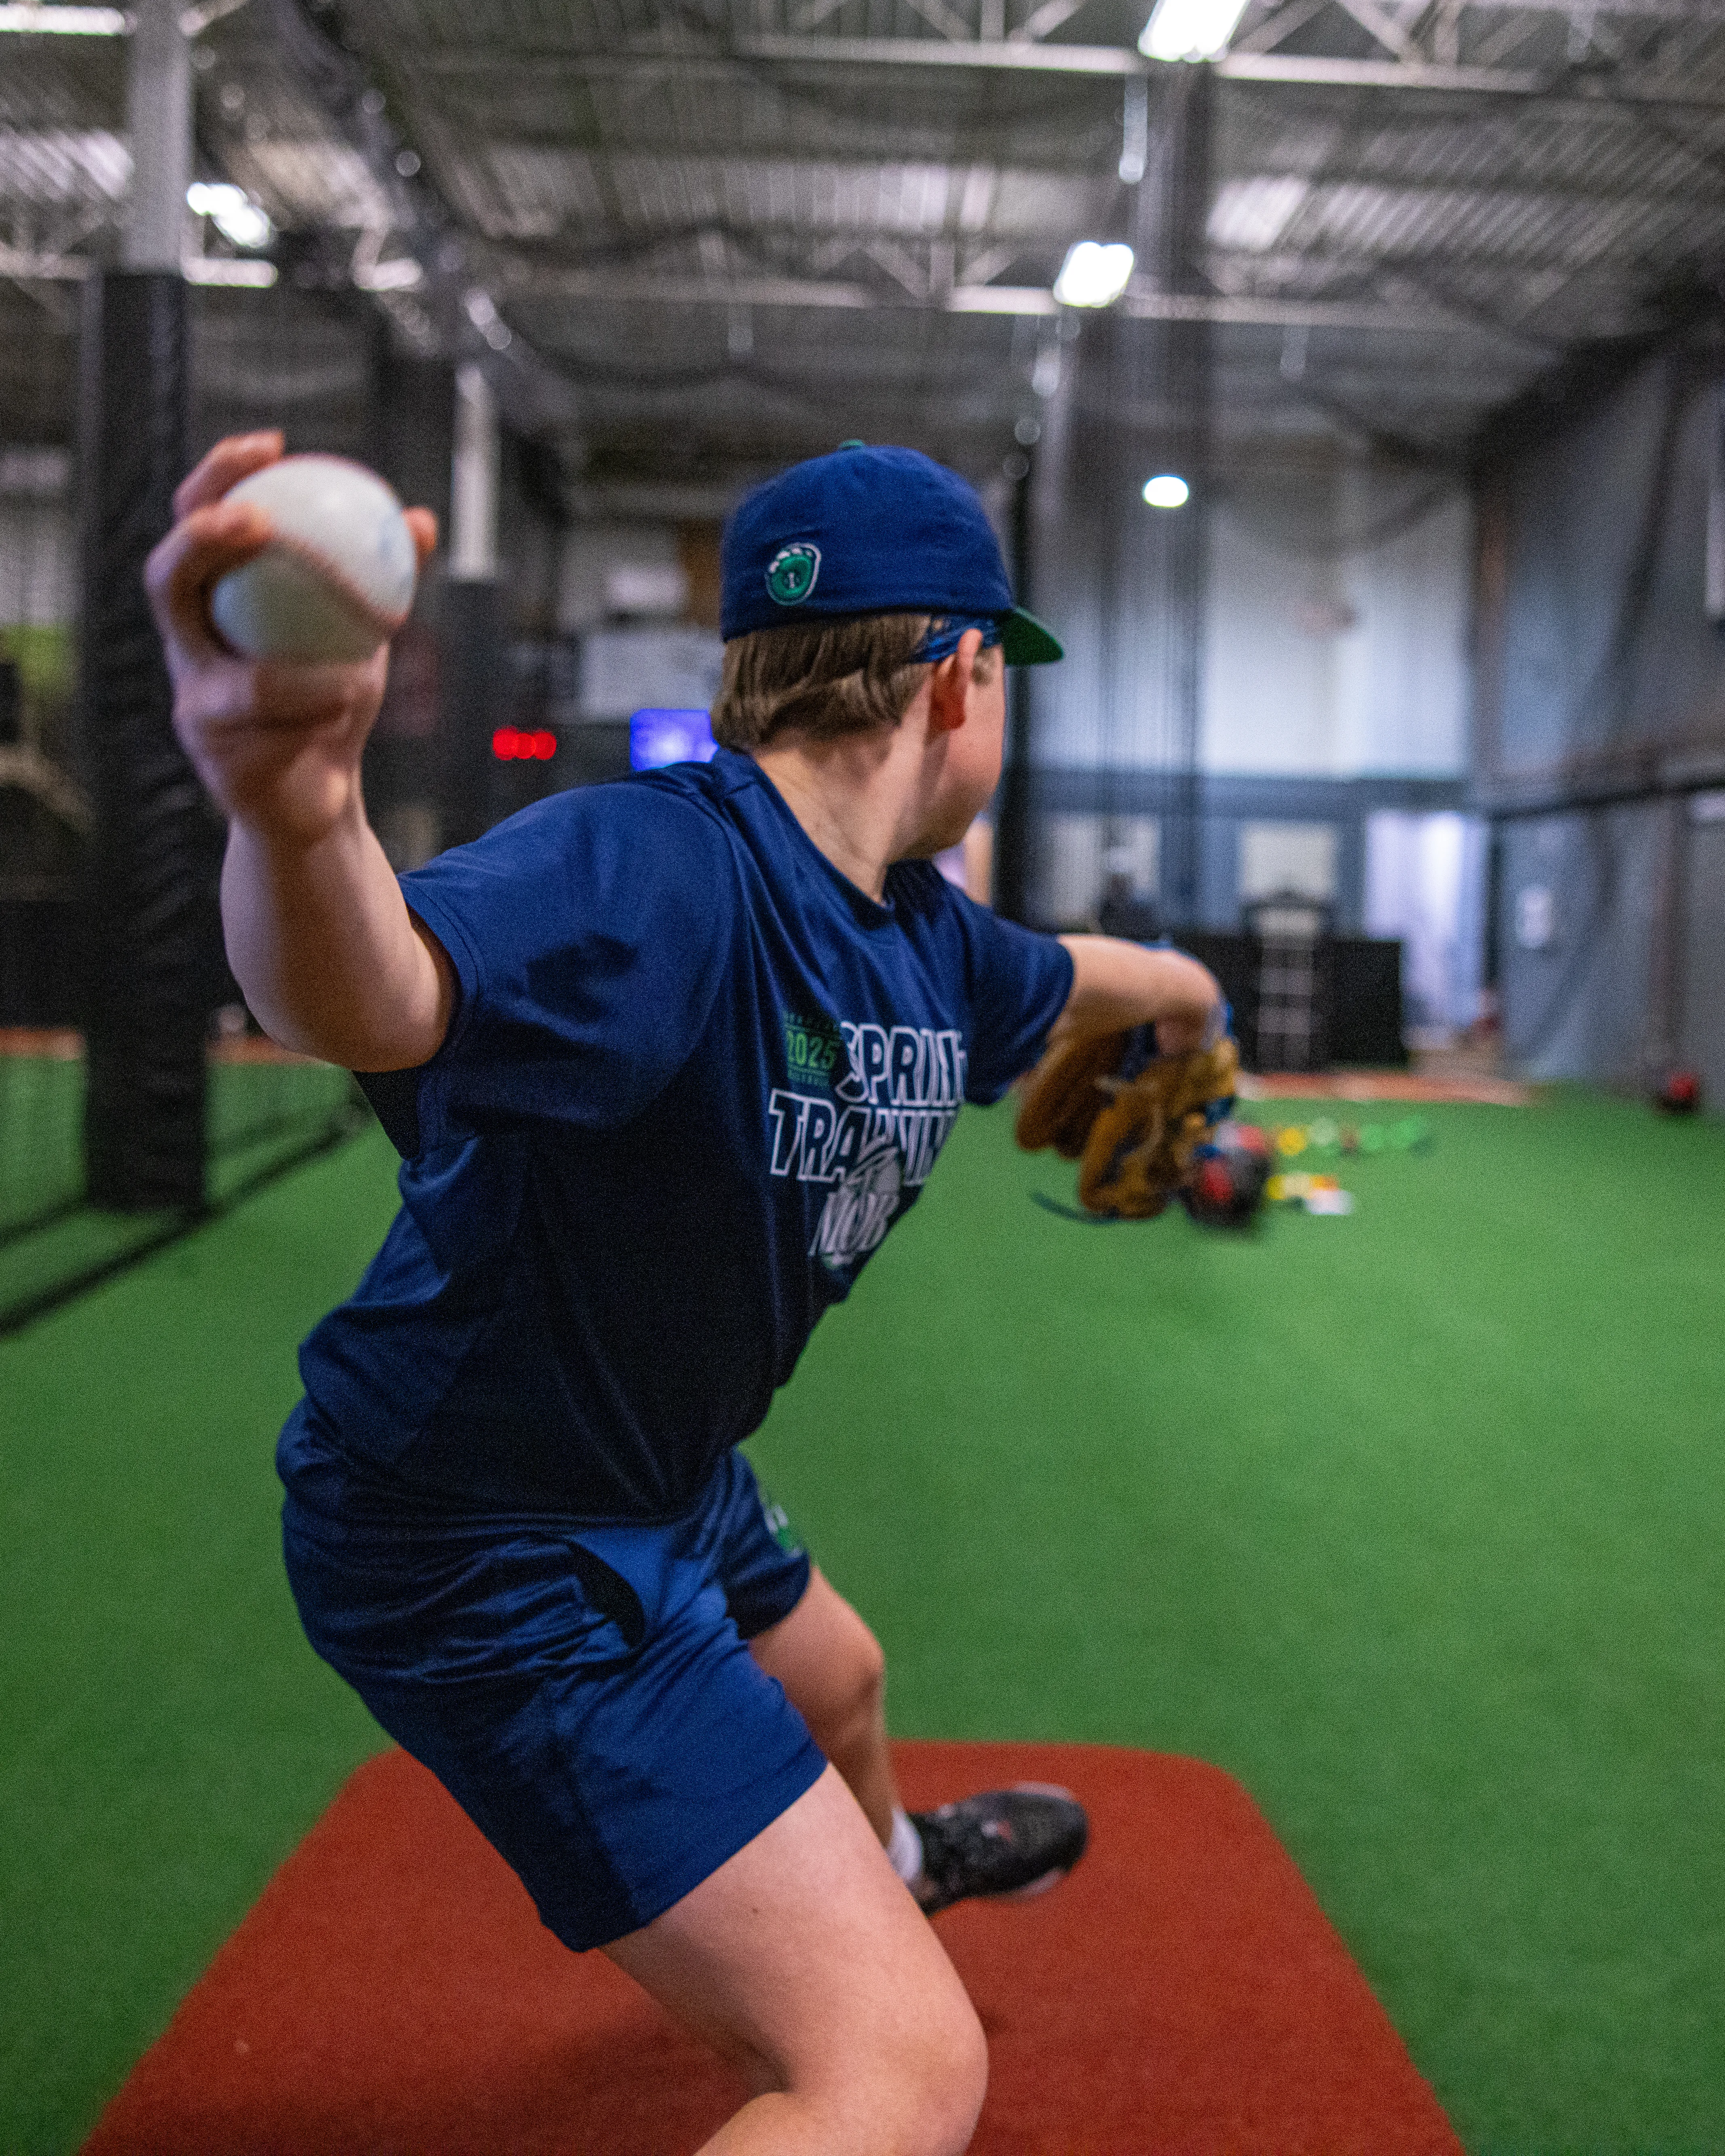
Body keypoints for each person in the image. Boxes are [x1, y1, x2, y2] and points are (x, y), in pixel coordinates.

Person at [148, 434, 1223, 2156]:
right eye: (996, 677)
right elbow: (375, 998)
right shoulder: (673, 871)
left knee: (841, 1680)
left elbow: (1068, 976)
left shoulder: (918, 933)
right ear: (957, 678)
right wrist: (300, 810)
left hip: (651, 1467)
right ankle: (855, 1989)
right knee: (904, 2077)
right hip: (480, 1536)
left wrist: (1184, 1000)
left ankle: (889, 1873)